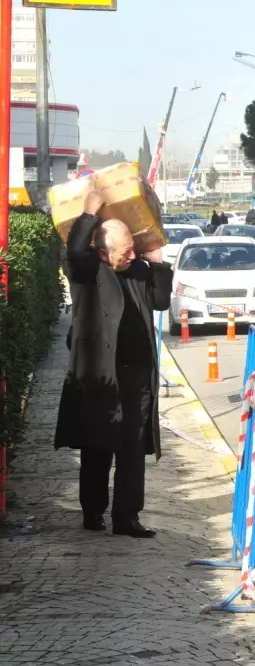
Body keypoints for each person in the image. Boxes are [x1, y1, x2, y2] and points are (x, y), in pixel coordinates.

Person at [55, 189, 173, 538]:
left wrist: (159, 262)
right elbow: (75, 250)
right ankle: (93, 512)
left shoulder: (136, 269)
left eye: (132, 250)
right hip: (100, 377)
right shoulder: (87, 272)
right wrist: (89, 213)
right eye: (125, 252)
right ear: (104, 253)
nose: (131, 256)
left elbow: (161, 302)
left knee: (133, 449)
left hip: (136, 377)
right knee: (98, 447)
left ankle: (127, 518)